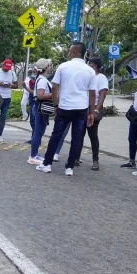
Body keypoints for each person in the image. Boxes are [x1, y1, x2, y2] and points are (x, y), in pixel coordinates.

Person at [37, 43, 95, 177]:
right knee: (76, 138)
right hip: (81, 108)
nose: (68, 54)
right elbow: (92, 94)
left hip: (64, 107)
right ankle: (69, 167)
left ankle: (47, 164)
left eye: (70, 51)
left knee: (56, 135)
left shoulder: (63, 67)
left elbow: (55, 87)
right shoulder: (90, 71)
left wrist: (55, 105)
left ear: (75, 52)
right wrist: (91, 112)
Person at [81, 57, 108, 171]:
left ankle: (95, 160)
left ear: (95, 66)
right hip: (83, 108)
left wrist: (96, 109)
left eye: (90, 63)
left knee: (92, 135)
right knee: (79, 133)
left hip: (94, 109)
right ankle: (76, 157)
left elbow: (102, 94)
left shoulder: (101, 78)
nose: (88, 65)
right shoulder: (88, 76)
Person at [27, 59, 52, 165]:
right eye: (50, 65)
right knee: (38, 132)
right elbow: (40, 95)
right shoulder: (42, 80)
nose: (51, 67)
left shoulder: (42, 79)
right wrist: (54, 94)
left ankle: (35, 154)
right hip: (40, 108)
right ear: (46, 68)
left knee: (39, 132)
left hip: (41, 108)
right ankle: (33, 156)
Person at [0, 58, 16, 143]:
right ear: (2, 65)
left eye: (8, 68)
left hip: (7, 97)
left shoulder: (12, 73)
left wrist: (10, 85)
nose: (6, 69)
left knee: (3, 117)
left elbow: (16, 85)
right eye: (5, 68)